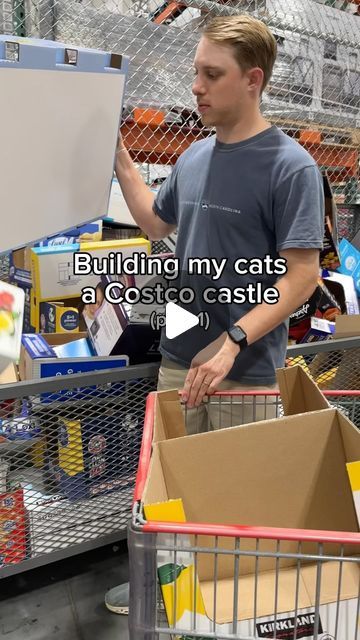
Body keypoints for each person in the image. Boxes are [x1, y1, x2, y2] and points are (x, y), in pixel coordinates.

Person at [105, 13, 324, 614]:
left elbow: (303, 274)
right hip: (180, 362)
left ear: (252, 80)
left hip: (244, 372)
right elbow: (156, 220)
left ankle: (230, 611)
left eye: (211, 74)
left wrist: (231, 339)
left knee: (237, 507)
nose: (195, 87)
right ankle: (173, 598)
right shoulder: (196, 156)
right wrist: (121, 159)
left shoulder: (291, 167)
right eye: (195, 73)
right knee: (171, 491)